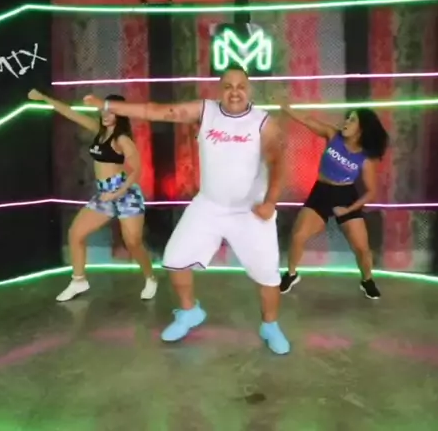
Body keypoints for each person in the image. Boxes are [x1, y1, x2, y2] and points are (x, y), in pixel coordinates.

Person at [82, 65, 290, 355]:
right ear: (219, 90)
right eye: (228, 86)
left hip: (251, 211)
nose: (234, 92)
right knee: (175, 259)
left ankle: (270, 326)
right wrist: (108, 106)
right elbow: (156, 111)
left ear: (249, 89)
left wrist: (270, 202)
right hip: (209, 205)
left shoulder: (263, 122)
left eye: (240, 86)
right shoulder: (206, 111)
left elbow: (278, 165)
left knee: (268, 275)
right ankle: (190, 312)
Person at [28, 89, 157, 301]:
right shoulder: (98, 130)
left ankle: (150, 278)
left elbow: (136, 170)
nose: (105, 115)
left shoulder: (123, 139)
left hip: (126, 194)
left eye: (110, 111)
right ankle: (78, 280)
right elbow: (70, 113)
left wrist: (117, 193)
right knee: (76, 233)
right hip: (104, 193)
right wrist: (44, 98)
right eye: (103, 110)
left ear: (120, 114)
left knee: (133, 243)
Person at [278, 105, 389, 299]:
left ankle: (367, 280)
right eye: (347, 118)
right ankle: (292, 274)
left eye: (352, 120)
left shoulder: (365, 158)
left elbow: (371, 192)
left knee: (362, 249)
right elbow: (307, 119)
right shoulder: (332, 135)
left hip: (345, 196)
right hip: (321, 192)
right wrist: (285, 107)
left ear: (361, 128)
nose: (346, 122)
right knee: (298, 235)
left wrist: (348, 210)